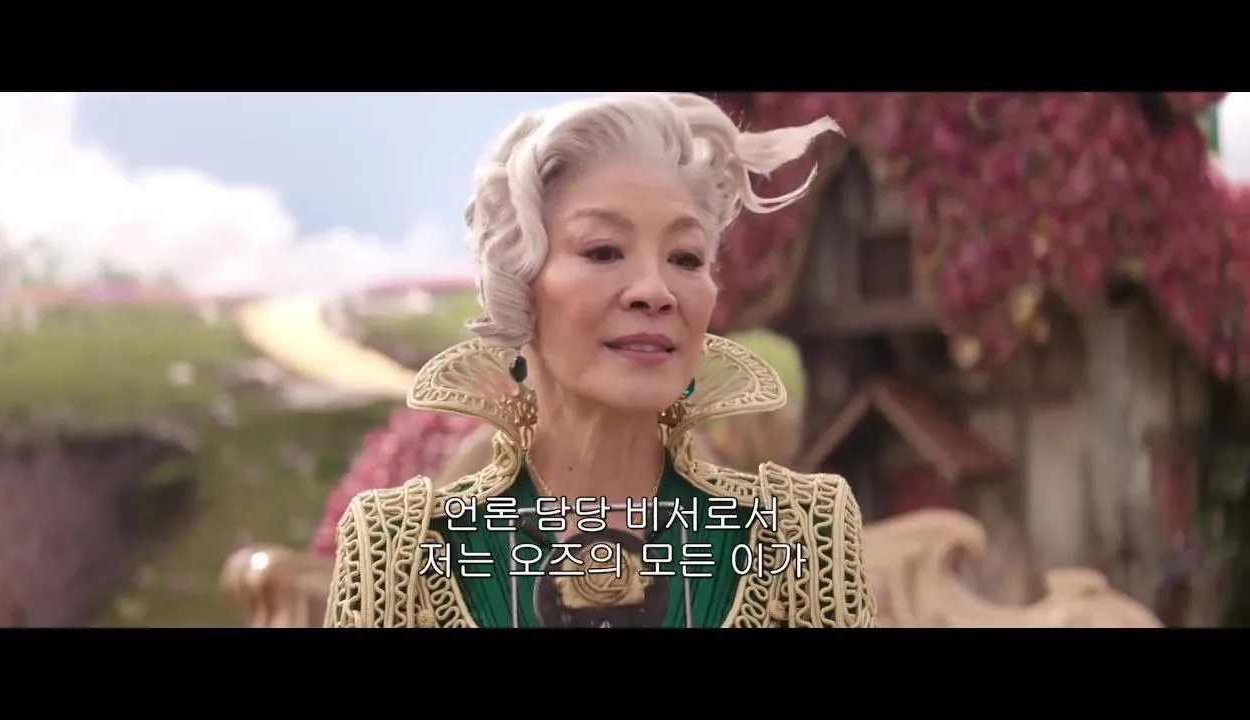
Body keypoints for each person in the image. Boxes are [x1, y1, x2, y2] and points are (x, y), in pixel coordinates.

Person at [324, 92, 876, 628]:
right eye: (603, 250)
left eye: (685, 258)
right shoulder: (396, 553)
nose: (654, 290)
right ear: (520, 286)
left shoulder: (802, 537)